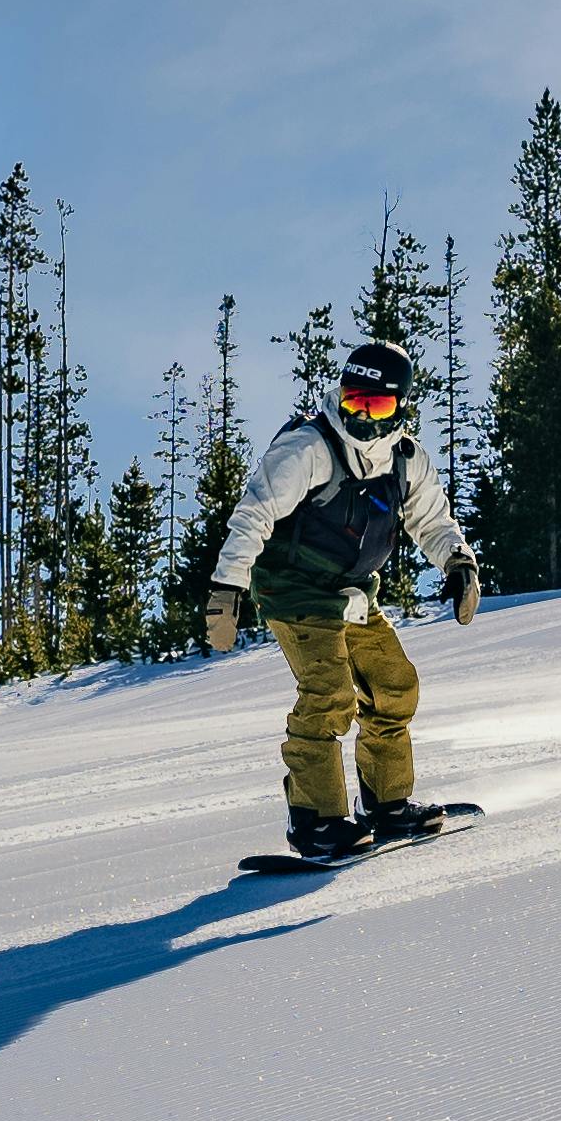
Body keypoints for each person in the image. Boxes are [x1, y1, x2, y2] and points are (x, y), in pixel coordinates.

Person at [203, 338, 482, 860]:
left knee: (394, 687)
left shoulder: (404, 459)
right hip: (296, 589)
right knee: (329, 695)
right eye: (354, 401)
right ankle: (317, 821)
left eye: (375, 405)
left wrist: (459, 564)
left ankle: (387, 805)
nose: (361, 415)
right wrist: (227, 589)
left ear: (400, 406)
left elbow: (432, 520)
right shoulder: (308, 448)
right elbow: (253, 514)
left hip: (354, 592)